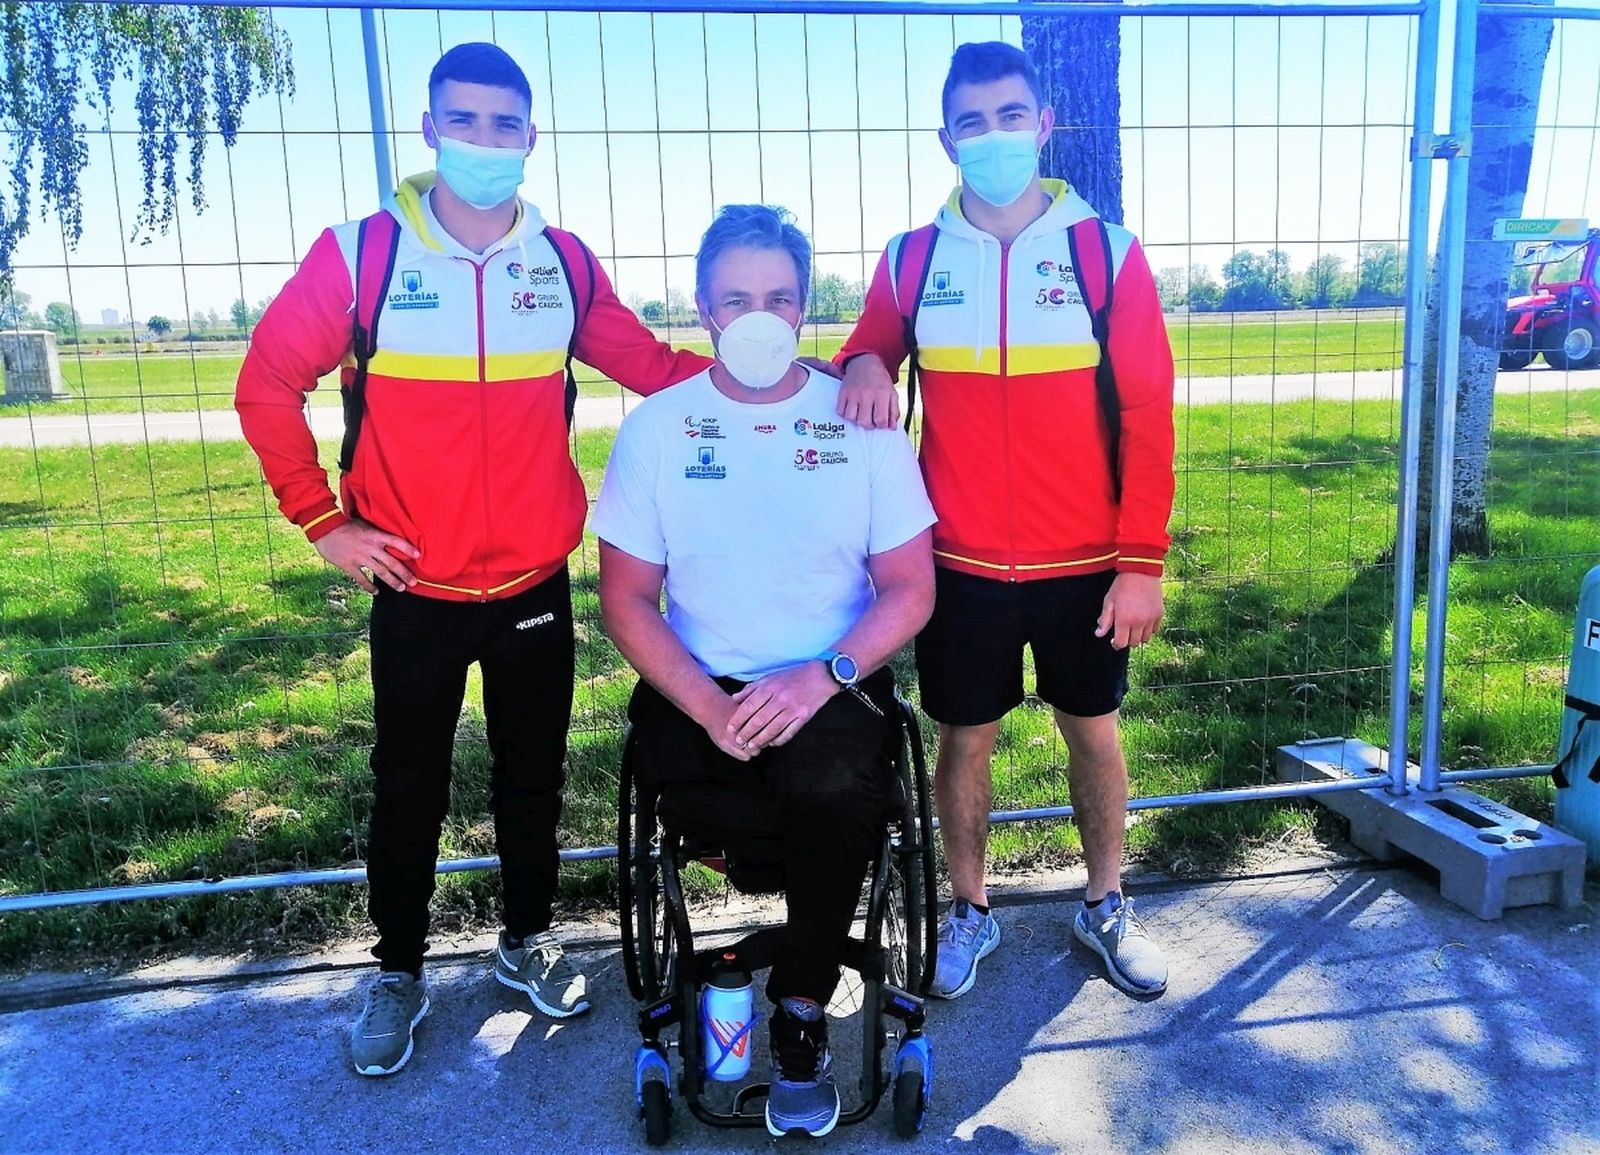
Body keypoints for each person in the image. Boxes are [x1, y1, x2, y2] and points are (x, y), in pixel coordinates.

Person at [235, 43, 895, 1078]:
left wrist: (788, 373)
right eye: (466, 121)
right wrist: (322, 520)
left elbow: (649, 363)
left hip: (533, 579)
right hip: (414, 581)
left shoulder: (563, 261)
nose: (485, 142)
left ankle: (526, 942)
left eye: (505, 125)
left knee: (530, 781)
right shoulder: (361, 254)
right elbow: (265, 383)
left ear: (531, 138)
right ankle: (397, 972)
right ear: (431, 129)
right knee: (408, 782)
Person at [837, 41, 1177, 1001]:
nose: (994, 135)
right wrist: (866, 361)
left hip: (1086, 564)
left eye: (1010, 115)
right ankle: (969, 909)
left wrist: (1140, 561)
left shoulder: (1103, 250)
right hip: (961, 563)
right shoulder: (912, 258)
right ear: (947, 138)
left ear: (1044, 124)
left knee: (1094, 732)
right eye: (973, 122)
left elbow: (1150, 414)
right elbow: (872, 346)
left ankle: (1105, 903)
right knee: (966, 740)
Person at [594, 204, 936, 1138]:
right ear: (703, 307)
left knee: (832, 789)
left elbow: (909, 588)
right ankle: (735, 986)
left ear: (803, 306)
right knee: (724, 801)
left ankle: (797, 1009)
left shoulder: (859, 422)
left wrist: (824, 675)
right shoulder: (660, 429)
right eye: (736, 296)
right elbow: (624, 598)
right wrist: (707, 704)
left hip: (831, 679)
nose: (759, 314)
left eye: (779, 297)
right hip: (700, 686)